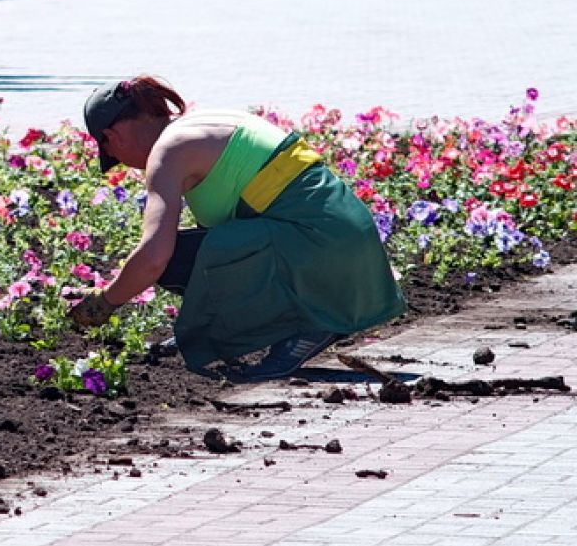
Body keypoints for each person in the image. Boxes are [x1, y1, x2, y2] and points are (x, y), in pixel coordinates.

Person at [68, 76, 405, 381]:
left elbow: (154, 257)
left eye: (111, 153)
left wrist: (104, 303)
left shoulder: (167, 153)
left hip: (321, 251)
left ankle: (309, 327)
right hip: (346, 245)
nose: (123, 163)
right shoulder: (203, 124)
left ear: (112, 137)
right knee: (195, 257)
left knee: (174, 261)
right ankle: (242, 329)